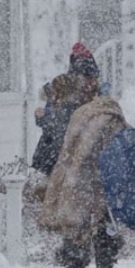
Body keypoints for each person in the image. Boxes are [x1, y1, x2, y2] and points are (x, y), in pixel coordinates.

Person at [38, 74, 130, 268]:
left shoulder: (73, 113)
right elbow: (118, 141)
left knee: (77, 224)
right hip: (96, 175)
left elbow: (58, 142)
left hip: (76, 176)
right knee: (102, 222)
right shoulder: (97, 114)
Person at [31, 42, 101, 175]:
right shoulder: (68, 96)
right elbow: (59, 128)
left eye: (90, 78)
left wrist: (45, 117)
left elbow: (59, 126)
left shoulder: (87, 100)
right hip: (53, 161)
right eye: (85, 78)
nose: (88, 83)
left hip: (57, 161)